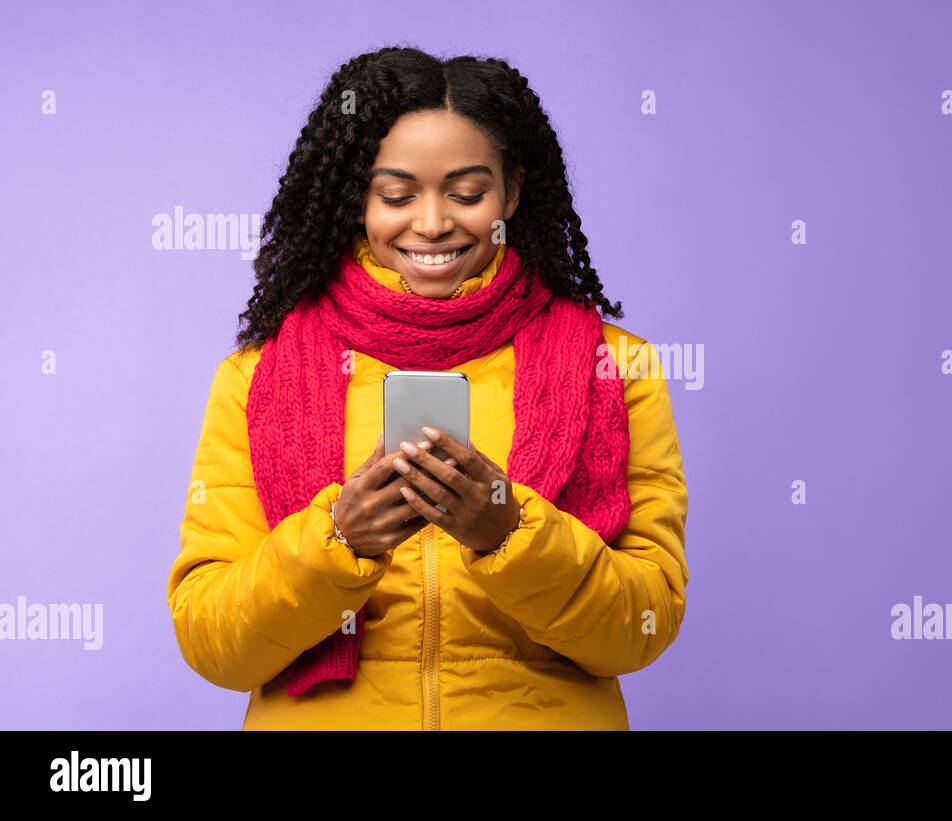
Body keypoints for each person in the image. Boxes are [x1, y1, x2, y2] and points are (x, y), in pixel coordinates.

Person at [166, 47, 689, 730]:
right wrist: (335, 541)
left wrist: (511, 535)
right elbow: (214, 642)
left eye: (468, 194)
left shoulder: (616, 369)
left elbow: (641, 625)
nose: (435, 222)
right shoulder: (259, 375)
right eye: (397, 194)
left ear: (514, 192)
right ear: (358, 199)